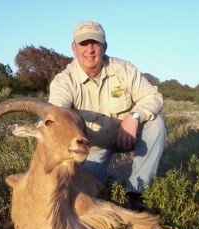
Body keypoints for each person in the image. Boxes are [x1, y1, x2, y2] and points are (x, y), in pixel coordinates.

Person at [48, 21, 166, 210]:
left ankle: (136, 192)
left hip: (126, 136)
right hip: (92, 147)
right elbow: (55, 113)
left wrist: (134, 117)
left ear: (104, 46)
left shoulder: (123, 69)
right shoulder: (65, 81)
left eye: (95, 43)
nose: (90, 50)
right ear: (74, 47)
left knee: (156, 123)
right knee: (83, 194)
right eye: (83, 44)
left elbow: (154, 97)